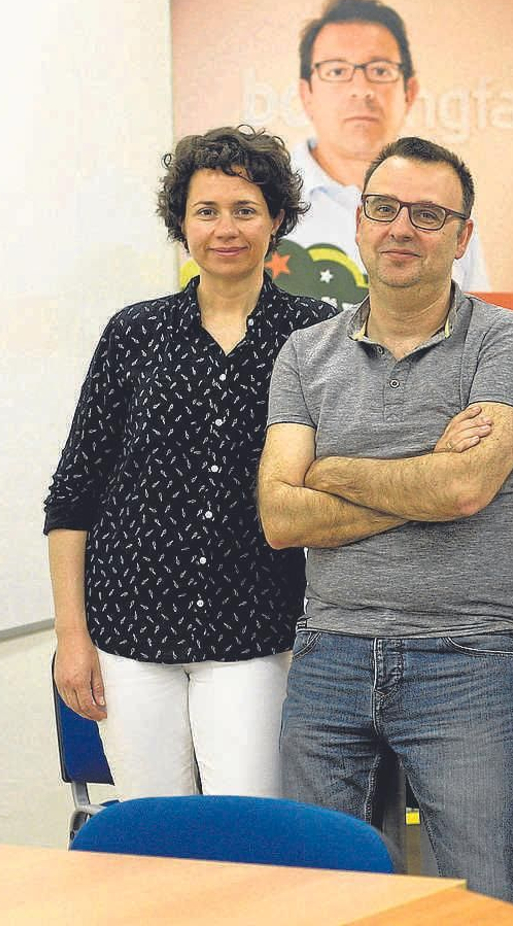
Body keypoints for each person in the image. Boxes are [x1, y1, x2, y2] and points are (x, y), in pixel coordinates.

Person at [256, 136, 513, 902]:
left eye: (427, 214)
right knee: (322, 900)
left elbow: (465, 491)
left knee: (484, 903)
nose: (401, 229)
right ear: (358, 222)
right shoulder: (304, 353)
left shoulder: (506, 340)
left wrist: (333, 471)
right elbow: (280, 517)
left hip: (466, 657)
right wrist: (426, 472)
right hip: (329, 653)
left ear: (463, 235)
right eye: (384, 208)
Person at [45, 125, 336, 798]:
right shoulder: (134, 332)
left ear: (277, 219)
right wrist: (72, 637)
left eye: (245, 209)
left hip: (256, 630)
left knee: (249, 825)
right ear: (181, 223)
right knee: (155, 836)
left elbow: (338, 473)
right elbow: (73, 494)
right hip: (128, 630)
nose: (225, 228)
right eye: (206, 211)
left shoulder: (315, 334)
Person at [287, 0, 488, 291]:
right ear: (307, 94)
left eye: (380, 71)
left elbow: (477, 312)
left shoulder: (446, 202)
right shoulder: (268, 198)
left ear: (409, 92)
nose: (361, 89)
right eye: (337, 71)